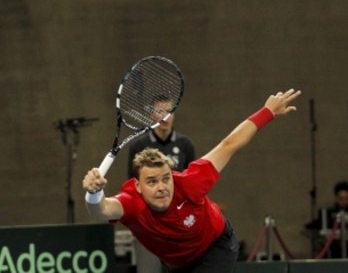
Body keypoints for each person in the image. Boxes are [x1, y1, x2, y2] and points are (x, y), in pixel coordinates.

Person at [82, 89, 301, 272]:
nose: (162, 188)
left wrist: (267, 112)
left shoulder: (189, 182)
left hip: (215, 245)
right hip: (177, 263)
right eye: (152, 182)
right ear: (137, 186)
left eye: (165, 179)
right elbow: (101, 210)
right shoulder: (131, 202)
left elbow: (228, 145)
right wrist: (94, 193)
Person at [126, 95, 196, 272]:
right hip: (149, 226)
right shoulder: (138, 146)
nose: (165, 117)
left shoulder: (185, 145)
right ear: (151, 115)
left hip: (179, 225)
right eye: (159, 112)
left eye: (169, 111)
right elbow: (132, 188)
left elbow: (191, 186)